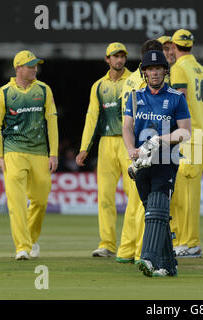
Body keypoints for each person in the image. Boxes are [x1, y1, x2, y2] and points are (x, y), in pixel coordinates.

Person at [122, 50, 191, 277]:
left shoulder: (176, 97)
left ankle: (149, 259)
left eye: (158, 69)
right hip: (142, 163)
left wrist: (160, 139)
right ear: (144, 72)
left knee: (156, 210)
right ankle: (169, 265)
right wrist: (131, 149)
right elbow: (127, 127)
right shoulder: (135, 96)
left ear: (165, 71)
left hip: (166, 160)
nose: (154, 73)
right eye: (150, 69)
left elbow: (185, 132)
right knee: (155, 214)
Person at [0, 50, 59, 260]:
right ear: (18, 68)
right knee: (17, 202)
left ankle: (30, 238)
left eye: (35, 65)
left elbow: (52, 122)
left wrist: (53, 153)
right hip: (13, 153)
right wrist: (0, 156)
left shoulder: (44, 90)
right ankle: (22, 247)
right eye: (30, 66)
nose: (34, 69)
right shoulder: (4, 93)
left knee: (39, 201)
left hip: (39, 153)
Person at [75, 42, 133, 258]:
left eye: (122, 56)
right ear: (107, 59)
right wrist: (84, 148)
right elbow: (92, 118)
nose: (119, 60)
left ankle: (132, 242)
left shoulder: (135, 80)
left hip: (129, 144)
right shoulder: (99, 86)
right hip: (106, 144)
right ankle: (107, 243)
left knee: (133, 195)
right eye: (115, 56)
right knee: (105, 196)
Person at [114, 40, 164, 264]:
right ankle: (139, 251)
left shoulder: (129, 80)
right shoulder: (148, 83)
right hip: (148, 145)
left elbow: (126, 119)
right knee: (146, 204)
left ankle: (126, 249)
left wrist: (130, 147)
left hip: (132, 143)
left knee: (133, 202)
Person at [168, 29, 203, 258]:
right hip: (202, 135)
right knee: (190, 193)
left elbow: (180, 98)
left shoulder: (178, 68)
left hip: (188, 136)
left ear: (174, 47)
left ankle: (190, 242)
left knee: (185, 194)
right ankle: (189, 241)